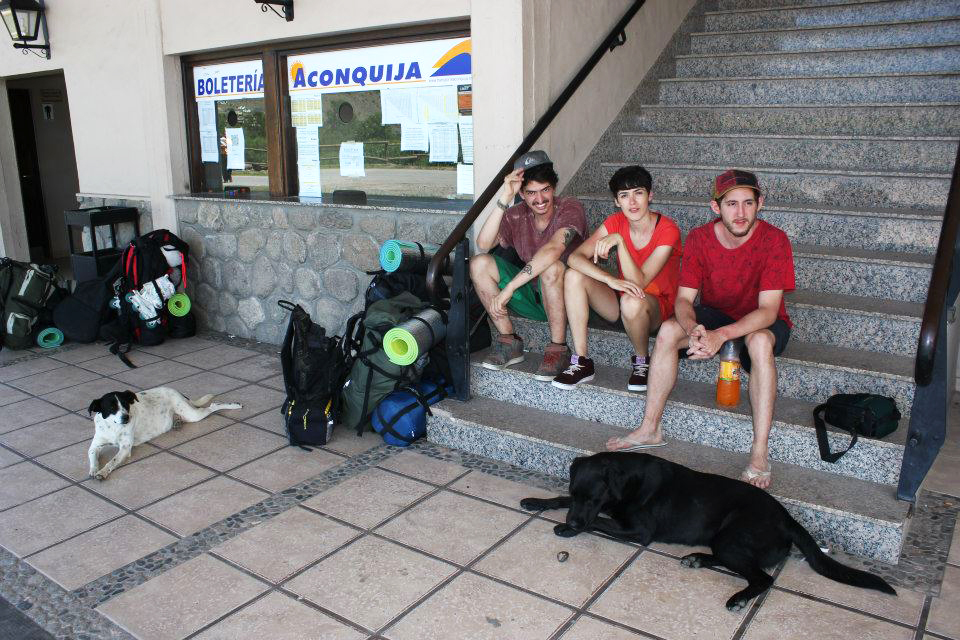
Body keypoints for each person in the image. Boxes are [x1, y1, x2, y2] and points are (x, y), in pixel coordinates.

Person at [606, 169, 795, 490]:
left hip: (760, 321)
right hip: (717, 314)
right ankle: (650, 428)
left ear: (760, 204)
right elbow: (683, 301)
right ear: (715, 207)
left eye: (748, 203)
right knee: (668, 331)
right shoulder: (699, 238)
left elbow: (767, 311)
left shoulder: (774, 239)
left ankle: (760, 452)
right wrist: (694, 329)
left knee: (760, 342)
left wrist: (719, 336)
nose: (740, 213)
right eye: (731, 204)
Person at [552, 165, 681, 392]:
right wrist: (609, 279)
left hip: (657, 307)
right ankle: (582, 361)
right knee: (573, 276)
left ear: (650, 196)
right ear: (616, 201)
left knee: (633, 300)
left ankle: (642, 362)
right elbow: (574, 258)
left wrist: (620, 242)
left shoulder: (668, 229)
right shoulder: (615, 221)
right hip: (622, 299)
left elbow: (640, 283)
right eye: (624, 195)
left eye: (638, 193)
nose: (632, 202)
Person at [471, 150, 587, 380]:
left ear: (554, 188)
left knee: (552, 267)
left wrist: (509, 288)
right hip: (535, 297)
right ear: (522, 194)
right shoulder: (516, 214)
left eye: (545, 190)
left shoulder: (570, 207)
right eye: (531, 192)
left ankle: (558, 348)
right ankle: (509, 341)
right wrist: (505, 197)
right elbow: (483, 243)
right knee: (479, 264)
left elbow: (553, 250)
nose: (540, 199)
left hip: (570, 300)